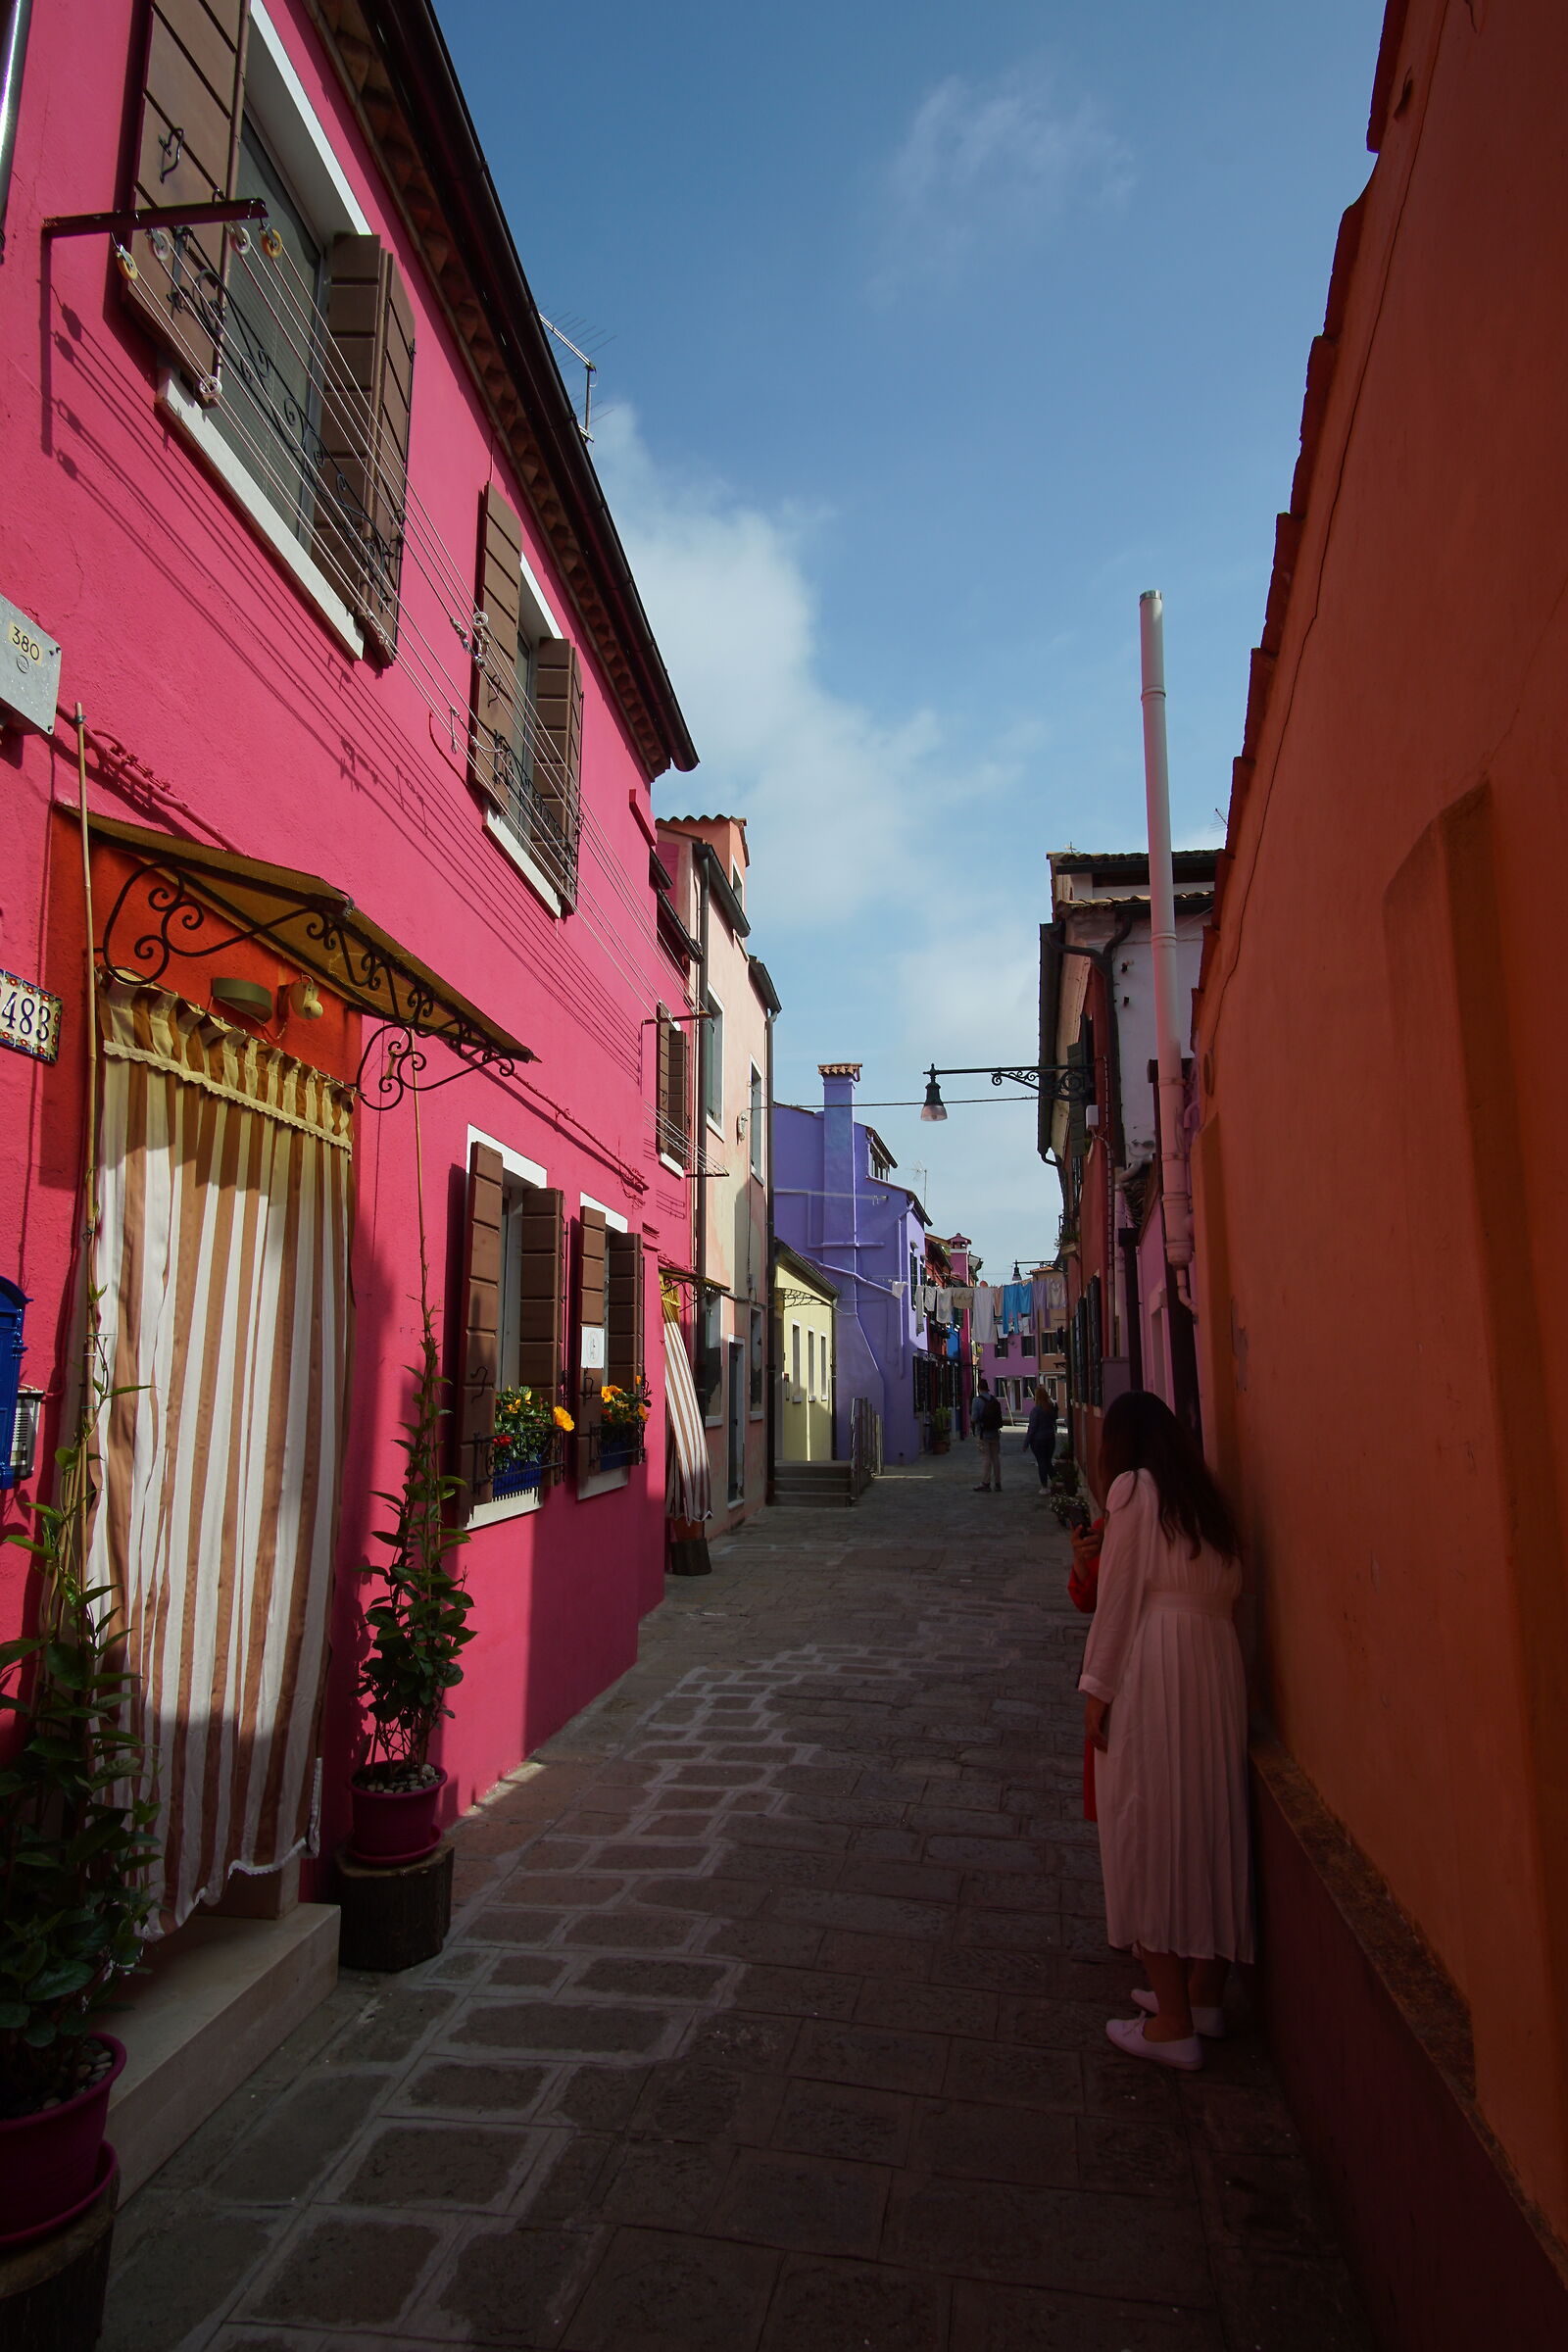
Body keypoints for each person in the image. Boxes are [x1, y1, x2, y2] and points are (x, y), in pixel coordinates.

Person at [1078, 1390, 1251, 2072]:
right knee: (1207, 1826)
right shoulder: (1203, 1504)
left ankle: (1172, 2022)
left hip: (1155, 1665)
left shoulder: (1132, 1491)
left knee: (1145, 1825)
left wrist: (1097, 1687)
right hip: (1213, 1668)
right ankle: (1203, 1996)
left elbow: (1116, 1596)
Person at [1024, 1384, 1058, 1498]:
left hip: (1038, 1440)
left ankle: (1044, 1486)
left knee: (1042, 1463)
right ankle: (1056, 1482)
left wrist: (1026, 1443)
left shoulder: (1036, 1411)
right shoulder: (1051, 1408)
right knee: (1048, 1461)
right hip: (1050, 1438)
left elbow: (1032, 1428)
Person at [972, 1380, 1004, 1491]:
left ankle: (986, 1483)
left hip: (983, 1433)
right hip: (995, 1432)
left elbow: (974, 1418)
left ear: (978, 1388)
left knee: (986, 1458)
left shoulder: (976, 1401)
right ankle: (998, 1482)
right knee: (996, 1458)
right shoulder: (993, 1399)